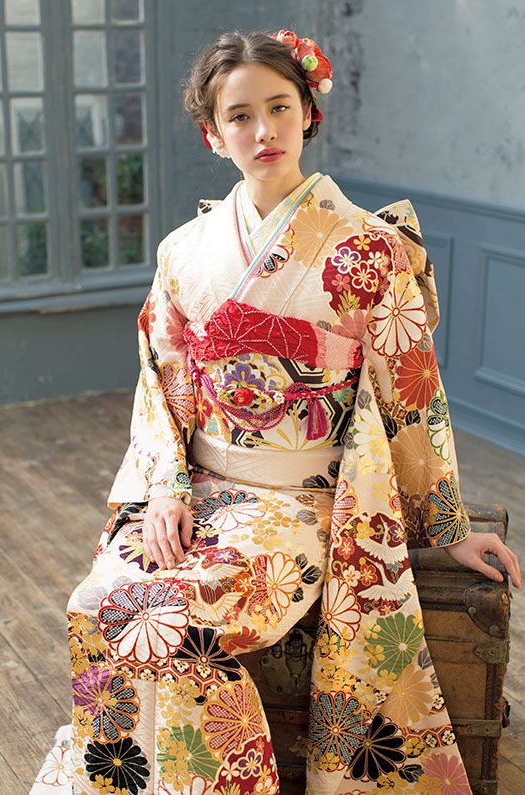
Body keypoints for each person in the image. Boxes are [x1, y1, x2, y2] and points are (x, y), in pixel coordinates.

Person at [31, 28, 521, 795]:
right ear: (211, 131)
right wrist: (165, 489)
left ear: (308, 113)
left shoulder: (370, 249)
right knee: (98, 601)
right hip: (199, 495)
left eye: (279, 108)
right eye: (240, 116)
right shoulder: (183, 251)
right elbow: (158, 383)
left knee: (175, 619)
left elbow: (412, 396)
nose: (263, 131)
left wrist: (446, 529)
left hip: (299, 502)